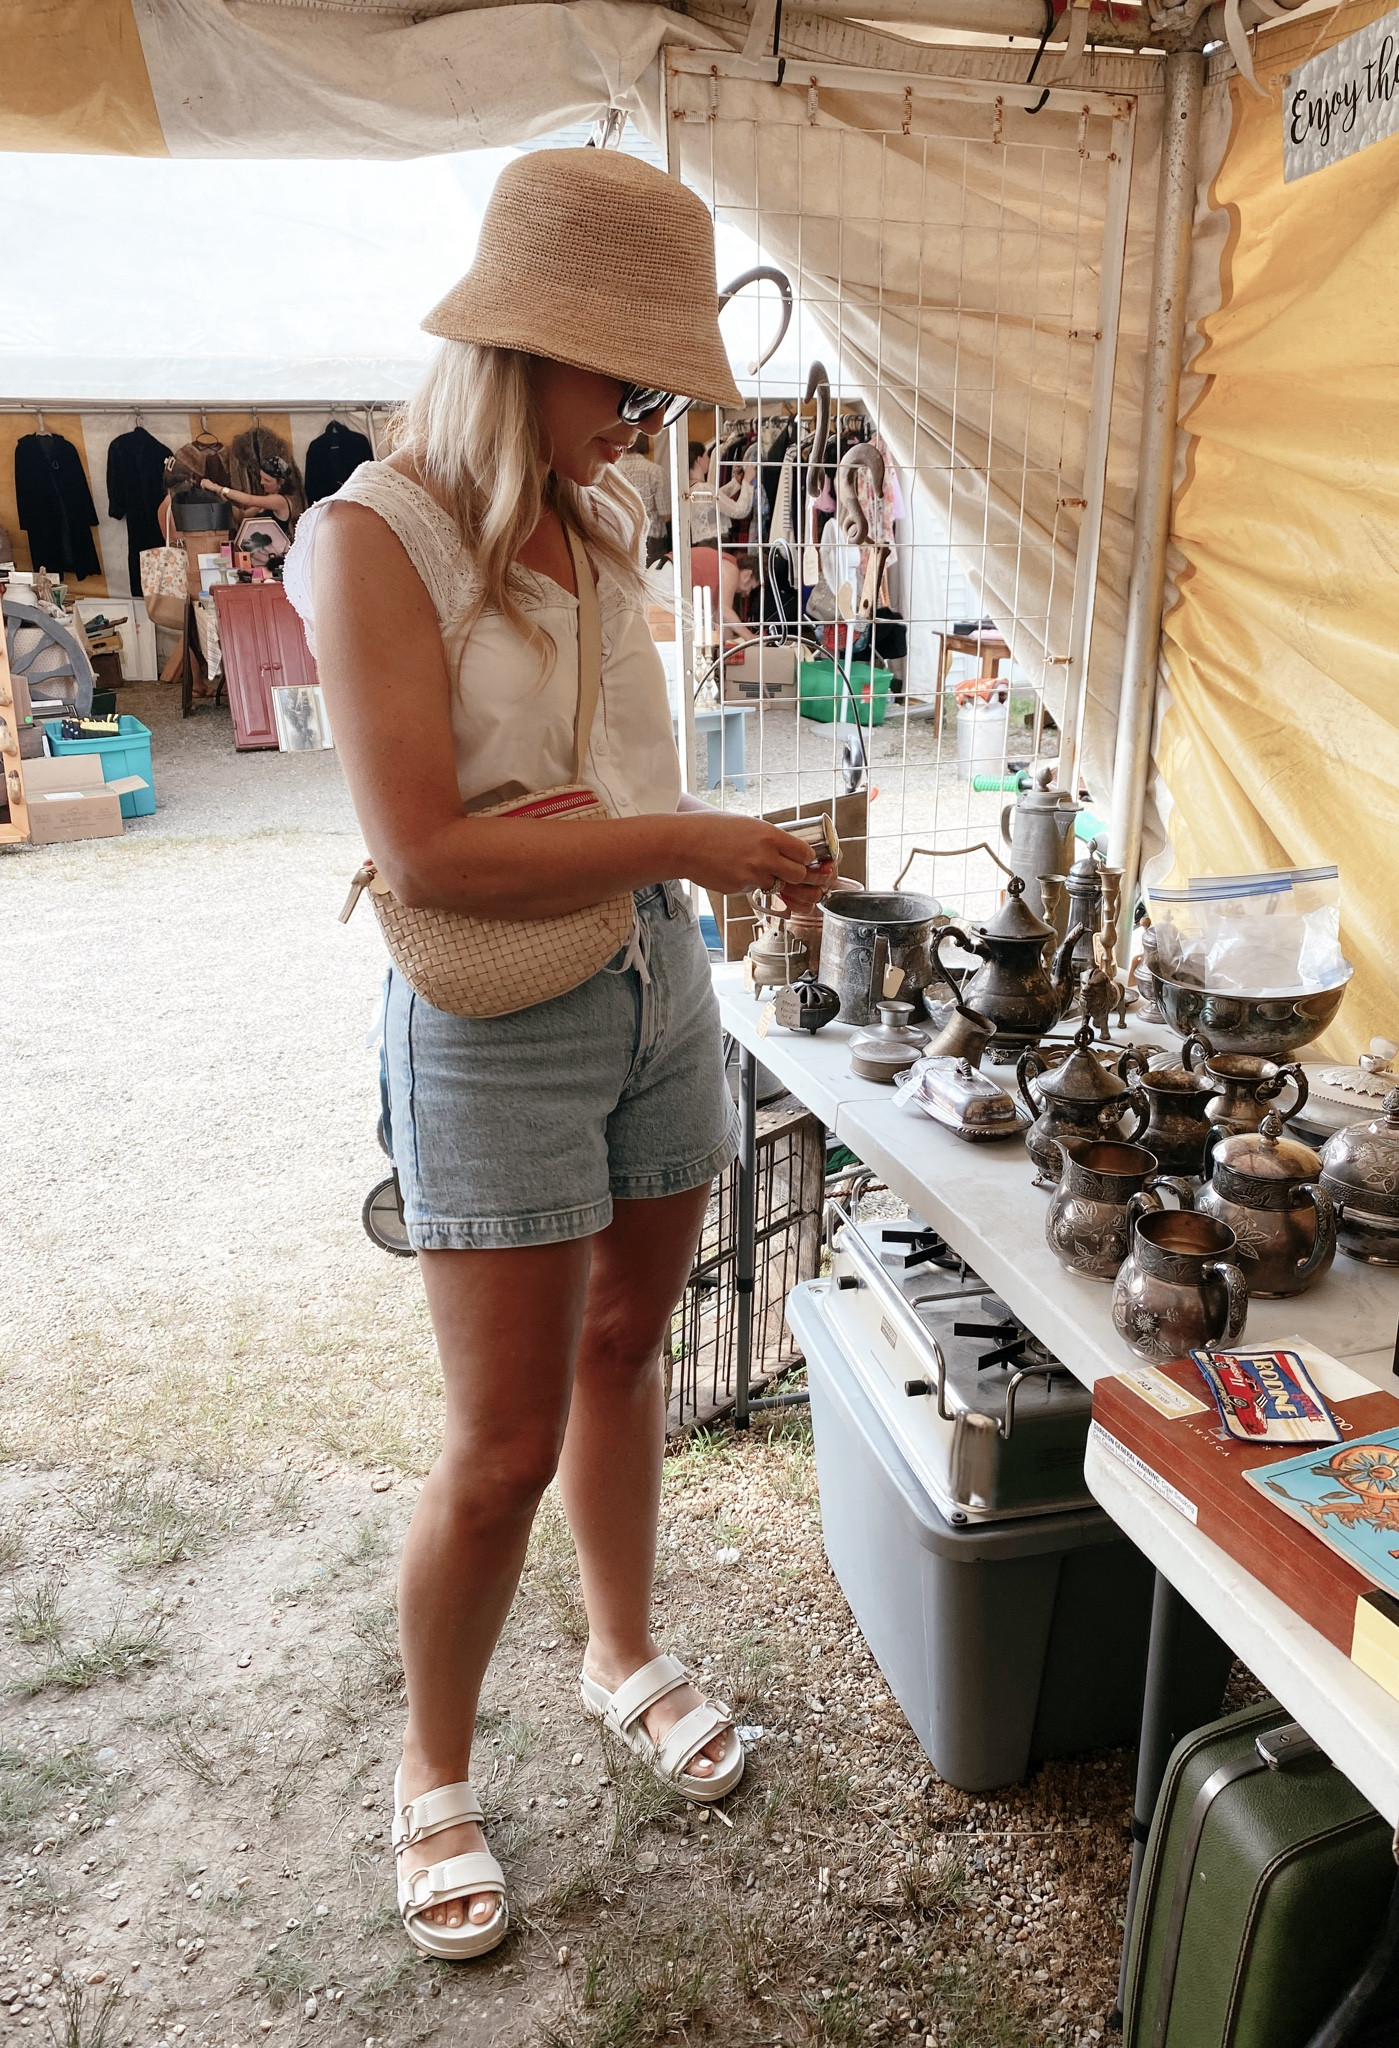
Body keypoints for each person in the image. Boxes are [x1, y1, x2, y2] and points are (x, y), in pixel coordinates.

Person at [283, 149, 830, 1965]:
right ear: (529, 351)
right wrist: (687, 839)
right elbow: (432, 847)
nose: (645, 422)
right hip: (492, 1018)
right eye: (627, 385)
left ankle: (617, 1649)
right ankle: (430, 1770)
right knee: (500, 1439)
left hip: (654, 984)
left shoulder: (594, 530)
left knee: (628, 1344)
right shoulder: (371, 536)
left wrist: (705, 854)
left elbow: (614, 788)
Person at [687, 443, 756, 644]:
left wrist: (736, 483)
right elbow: (739, 510)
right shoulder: (704, 489)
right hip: (716, 545)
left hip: (701, 545)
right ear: (699, 459)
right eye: (707, 456)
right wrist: (748, 484)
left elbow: (718, 497)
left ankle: (718, 644)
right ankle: (731, 643)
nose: (710, 460)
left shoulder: (691, 489)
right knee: (722, 603)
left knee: (710, 603)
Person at [615, 432, 670, 565]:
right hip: (651, 538)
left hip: (619, 535)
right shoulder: (655, 471)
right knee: (651, 580)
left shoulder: (611, 470)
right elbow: (666, 515)